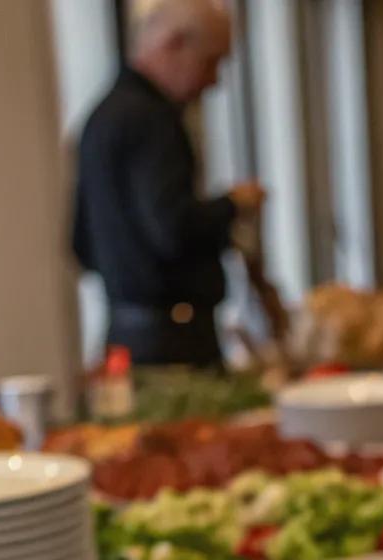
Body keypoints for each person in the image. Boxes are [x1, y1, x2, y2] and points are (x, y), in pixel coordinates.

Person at [73, 0, 264, 367]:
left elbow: (80, 244)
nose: (214, 81)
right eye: (211, 62)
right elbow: (172, 229)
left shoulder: (99, 117)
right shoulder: (153, 120)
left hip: (123, 338)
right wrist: (234, 205)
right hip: (176, 345)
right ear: (173, 44)